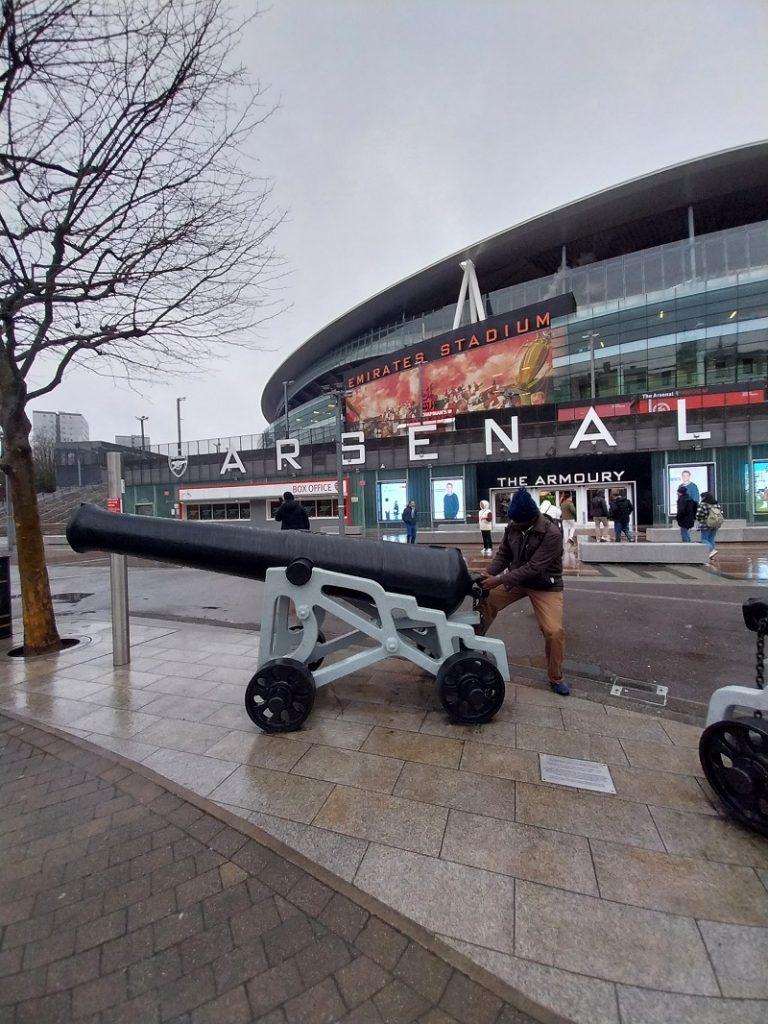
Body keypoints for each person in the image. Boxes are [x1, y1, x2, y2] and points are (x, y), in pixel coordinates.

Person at [476, 488, 569, 696]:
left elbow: (534, 568)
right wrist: (487, 573)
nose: (514, 524)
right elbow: (503, 555)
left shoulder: (552, 533)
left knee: (554, 631)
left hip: (545, 584)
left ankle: (556, 677)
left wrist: (498, 579)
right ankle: (473, 644)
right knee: (485, 599)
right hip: (516, 579)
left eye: (518, 521)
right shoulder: (513, 527)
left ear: (530, 517)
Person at [695, 490, 724, 558]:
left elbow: (699, 515)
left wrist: (700, 520)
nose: (701, 499)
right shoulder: (716, 504)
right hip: (715, 524)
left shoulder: (703, 504)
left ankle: (712, 550)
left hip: (706, 524)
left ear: (704, 497)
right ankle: (711, 556)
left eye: (701, 497)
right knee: (711, 539)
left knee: (704, 540)